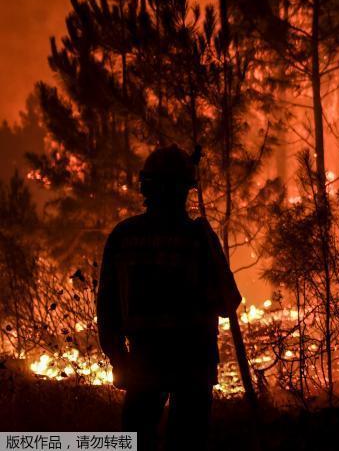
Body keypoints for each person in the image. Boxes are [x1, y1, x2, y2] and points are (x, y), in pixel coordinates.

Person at [96, 145, 241, 450]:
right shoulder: (199, 237)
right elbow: (229, 302)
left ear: (145, 187)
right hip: (194, 365)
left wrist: (118, 358)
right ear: (187, 190)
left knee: (134, 442)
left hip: (144, 362)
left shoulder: (124, 236)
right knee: (187, 443)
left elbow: (107, 308)